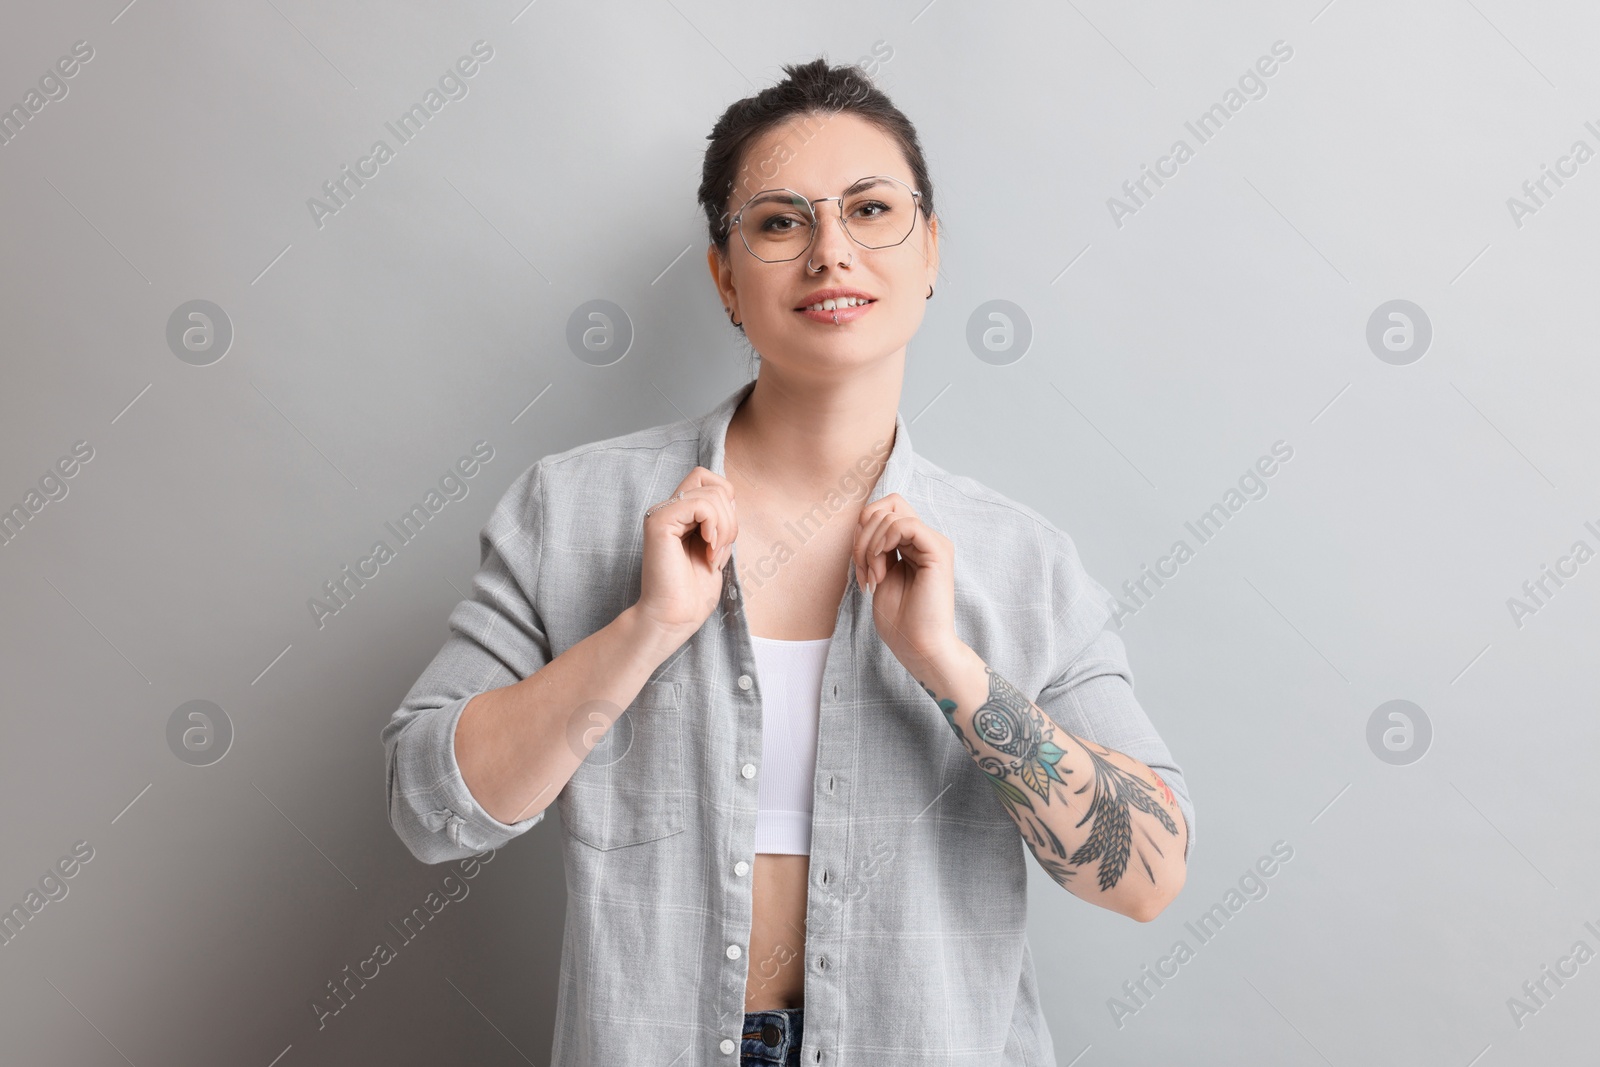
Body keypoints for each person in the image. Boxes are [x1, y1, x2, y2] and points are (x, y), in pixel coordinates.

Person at [381, 56, 1194, 1066]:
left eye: (869, 209)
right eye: (778, 221)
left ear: (930, 249)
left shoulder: (1022, 563)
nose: (830, 251)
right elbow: (428, 806)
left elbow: (1147, 873)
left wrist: (950, 667)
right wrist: (643, 629)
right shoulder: (572, 509)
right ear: (726, 274)